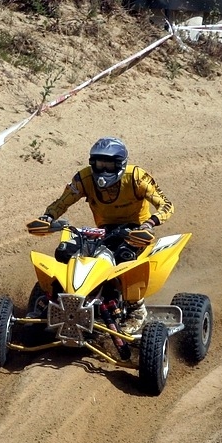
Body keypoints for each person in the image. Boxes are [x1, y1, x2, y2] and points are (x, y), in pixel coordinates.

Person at [26, 137, 174, 333]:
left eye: (109, 165)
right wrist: (47, 217)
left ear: (120, 164)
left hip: (136, 230)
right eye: (99, 164)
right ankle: (50, 299)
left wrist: (149, 224)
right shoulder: (84, 178)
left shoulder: (137, 177)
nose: (103, 170)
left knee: (124, 256)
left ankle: (136, 308)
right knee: (64, 251)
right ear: (92, 162)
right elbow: (61, 202)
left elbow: (166, 205)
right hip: (104, 230)